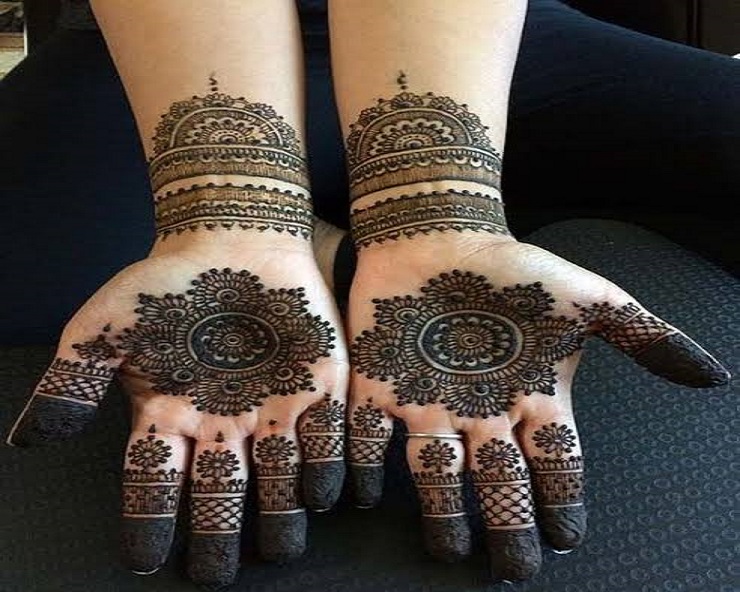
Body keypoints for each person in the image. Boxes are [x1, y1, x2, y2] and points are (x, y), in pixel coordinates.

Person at [0, 1, 736, 590]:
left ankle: (345, 245)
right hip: (157, 51)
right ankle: (315, 244)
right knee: (37, 301)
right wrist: (225, 216)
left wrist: (438, 213)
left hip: (470, 38)